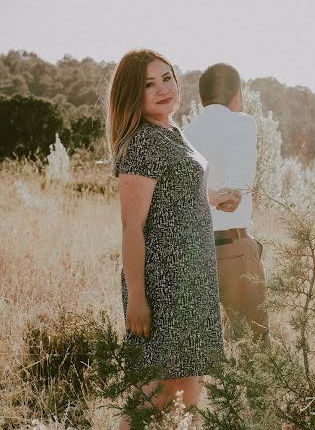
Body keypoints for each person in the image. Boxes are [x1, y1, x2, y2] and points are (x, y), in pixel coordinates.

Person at [106, 49, 227, 427]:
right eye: (148, 84)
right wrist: (138, 299)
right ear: (132, 94)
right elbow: (132, 227)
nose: (162, 89)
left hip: (193, 283)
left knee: (188, 393)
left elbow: (171, 195)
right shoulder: (144, 142)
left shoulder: (172, 131)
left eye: (166, 78)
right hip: (164, 285)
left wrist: (211, 198)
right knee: (157, 394)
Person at [184, 63, 270, 344]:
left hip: (194, 254)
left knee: (200, 350)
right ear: (237, 94)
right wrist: (233, 192)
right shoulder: (242, 122)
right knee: (256, 349)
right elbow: (241, 173)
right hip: (234, 249)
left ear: (201, 99)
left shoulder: (184, 133)